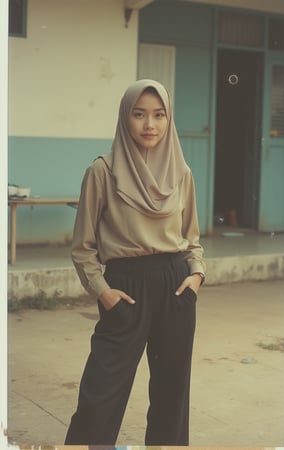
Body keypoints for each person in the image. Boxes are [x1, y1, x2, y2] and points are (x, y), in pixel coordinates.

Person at [64, 79, 206, 446]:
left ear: (168, 119)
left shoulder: (182, 174)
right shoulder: (102, 172)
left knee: (171, 395)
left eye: (159, 115)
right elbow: (83, 246)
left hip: (175, 285)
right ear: (125, 118)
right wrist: (103, 291)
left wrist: (197, 276)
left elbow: (192, 239)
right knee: (100, 394)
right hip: (124, 287)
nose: (150, 125)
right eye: (139, 114)